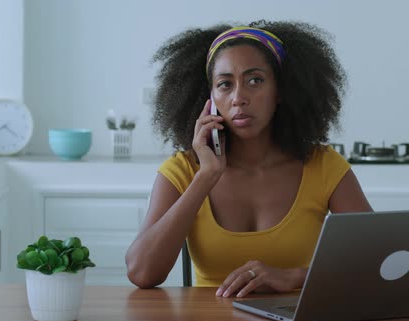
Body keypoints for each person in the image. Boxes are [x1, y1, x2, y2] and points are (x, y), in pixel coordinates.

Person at [125, 20, 372, 298]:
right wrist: (205, 176)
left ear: (280, 91)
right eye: (224, 85)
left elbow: (378, 261)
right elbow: (142, 273)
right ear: (210, 99)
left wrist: (294, 276)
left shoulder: (324, 166)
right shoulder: (184, 170)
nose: (239, 97)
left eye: (255, 80)